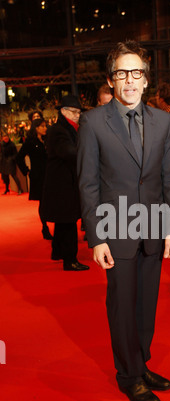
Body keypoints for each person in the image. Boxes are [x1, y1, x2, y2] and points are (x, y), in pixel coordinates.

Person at [77, 40, 170, 401]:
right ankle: (128, 376)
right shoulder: (92, 121)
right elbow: (88, 183)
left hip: (153, 228)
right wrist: (95, 237)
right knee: (122, 306)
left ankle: (141, 364)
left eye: (136, 72)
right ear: (112, 79)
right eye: (122, 73)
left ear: (146, 79)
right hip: (115, 230)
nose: (130, 80)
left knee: (146, 304)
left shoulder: (163, 120)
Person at [41, 95, 89, 271]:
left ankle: (58, 252)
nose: (77, 115)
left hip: (62, 182)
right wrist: (88, 152)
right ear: (63, 111)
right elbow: (68, 152)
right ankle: (71, 260)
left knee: (63, 221)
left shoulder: (67, 128)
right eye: (74, 112)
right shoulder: (60, 130)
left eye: (78, 112)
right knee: (68, 221)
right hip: (62, 184)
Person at [16, 119, 52, 239]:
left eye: (45, 125)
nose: (45, 128)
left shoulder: (48, 140)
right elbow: (19, 157)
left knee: (51, 200)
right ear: (36, 128)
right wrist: (26, 171)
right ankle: (45, 227)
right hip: (38, 176)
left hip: (51, 174)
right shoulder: (30, 142)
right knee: (42, 202)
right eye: (42, 126)